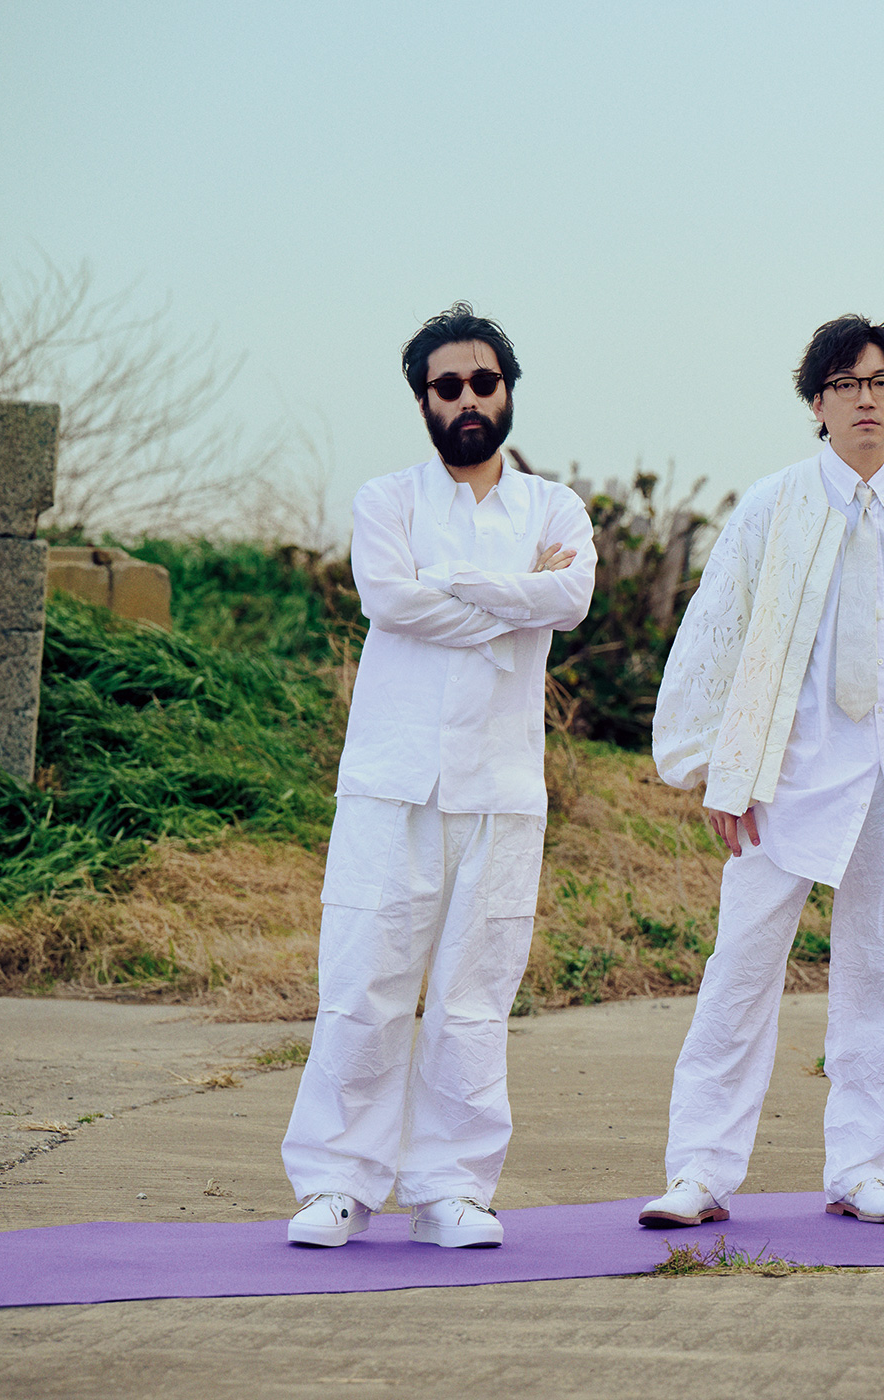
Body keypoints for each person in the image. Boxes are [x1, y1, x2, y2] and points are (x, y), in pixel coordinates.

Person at [641, 315, 884, 1229]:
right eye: (844, 384)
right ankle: (700, 1171)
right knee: (740, 970)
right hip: (787, 777)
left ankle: (862, 1166)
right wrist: (718, 769)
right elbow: (717, 632)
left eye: (881, 383)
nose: (864, 400)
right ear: (817, 402)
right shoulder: (773, 506)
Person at [281, 303, 596, 1248]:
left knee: (473, 995)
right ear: (423, 400)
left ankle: (451, 1188)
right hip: (393, 781)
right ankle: (336, 1182)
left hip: (502, 789)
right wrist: (516, 602)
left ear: (508, 390)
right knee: (364, 980)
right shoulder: (388, 501)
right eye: (446, 386)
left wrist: (454, 585)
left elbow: (572, 597)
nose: (467, 399)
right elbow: (390, 600)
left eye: (482, 382)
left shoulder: (554, 510)